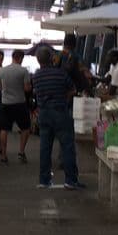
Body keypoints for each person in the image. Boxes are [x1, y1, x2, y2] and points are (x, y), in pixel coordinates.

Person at [32, 45, 82, 189]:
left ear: (38, 60)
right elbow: (73, 89)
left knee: (45, 147)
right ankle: (70, 180)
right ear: (52, 58)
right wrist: (64, 97)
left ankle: (44, 180)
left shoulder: (36, 76)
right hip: (60, 112)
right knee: (67, 146)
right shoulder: (60, 74)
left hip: (44, 114)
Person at [0, 49, 32, 164]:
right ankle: (21, 153)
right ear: (21, 58)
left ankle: (3, 155)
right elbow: (27, 88)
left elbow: (0, 86)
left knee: (4, 129)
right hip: (19, 103)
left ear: (12, 57)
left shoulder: (2, 70)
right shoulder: (23, 71)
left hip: (5, 103)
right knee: (25, 128)